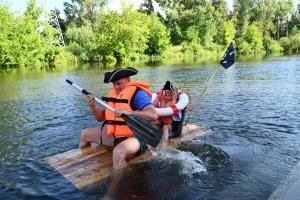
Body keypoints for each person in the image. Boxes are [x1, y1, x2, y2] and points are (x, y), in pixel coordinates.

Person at [80, 67, 157, 169]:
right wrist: (93, 106)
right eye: (114, 84)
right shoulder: (114, 95)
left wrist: (128, 113)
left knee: (118, 152)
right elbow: (100, 118)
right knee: (85, 134)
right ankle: (83, 165)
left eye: (118, 83)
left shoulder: (138, 94)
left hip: (137, 137)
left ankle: (116, 184)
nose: (116, 87)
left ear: (128, 79)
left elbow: (153, 115)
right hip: (117, 137)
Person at [152, 81, 190, 149]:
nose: (167, 97)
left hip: (171, 125)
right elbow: (154, 106)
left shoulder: (177, 102)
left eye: (169, 95)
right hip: (161, 121)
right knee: (152, 120)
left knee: (165, 127)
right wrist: (159, 97)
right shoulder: (162, 99)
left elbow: (182, 108)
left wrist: (175, 100)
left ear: (173, 95)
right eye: (165, 95)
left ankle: (164, 142)